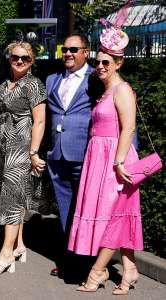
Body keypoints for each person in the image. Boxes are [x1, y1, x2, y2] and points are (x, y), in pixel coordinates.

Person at [68, 16, 143, 296]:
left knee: (112, 217)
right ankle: (130, 268)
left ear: (119, 63)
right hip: (100, 158)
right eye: (97, 62)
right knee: (118, 215)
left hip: (115, 159)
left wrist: (119, 161)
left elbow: (129, 127)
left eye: (106, 63)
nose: (100, 66)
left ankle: (98, 271)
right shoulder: (106, 89)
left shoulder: (122, 89)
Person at [0, 41, 46, 275]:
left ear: (32, 62)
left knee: (10, 197)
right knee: (16, 194)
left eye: (25, 58)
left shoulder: (33, 84)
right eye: (15, 57)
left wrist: (33, 151)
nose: (19, 61)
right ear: (9, 58)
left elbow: (39, 120)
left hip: (22, 146)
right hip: (6, 146)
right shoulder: (6, 84)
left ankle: (6, 253)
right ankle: (19, 245)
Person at [45, 34, 95, 277]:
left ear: (85, 51)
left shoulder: (96, 77)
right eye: (65, 49)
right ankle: (70, 258)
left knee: (85, 210)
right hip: (57, 155)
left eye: (74, 49)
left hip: (84, 154)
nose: (68, 53)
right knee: (65, 209)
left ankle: (87, 262)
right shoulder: (52, 79)